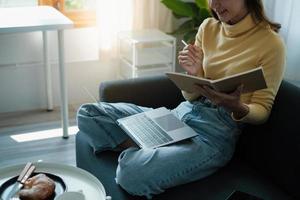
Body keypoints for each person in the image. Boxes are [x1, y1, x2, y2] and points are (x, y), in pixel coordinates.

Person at [77, 0, 285, 198]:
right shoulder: (208, 27)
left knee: (130, 173)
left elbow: (262, 111)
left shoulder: (271, 44)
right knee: (88, 114)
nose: (214, 5)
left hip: (213, 134)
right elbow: (190, 95)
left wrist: (237, 107)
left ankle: (151, 144)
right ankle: (153, 142)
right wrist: (194, 74)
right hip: (180, 114)